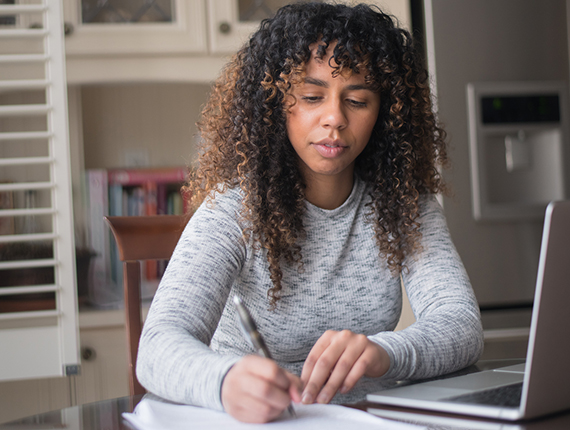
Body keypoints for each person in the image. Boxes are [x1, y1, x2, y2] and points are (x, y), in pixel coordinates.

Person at [136, 2, 484, 424]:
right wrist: (224, 381)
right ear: (276, 104)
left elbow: (461, 324)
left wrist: (384, 352)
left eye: (357, 99)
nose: (334, 118)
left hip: (365, 419)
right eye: (311, 96)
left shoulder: (403, 204)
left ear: (386, 114)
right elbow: (157, 346)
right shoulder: (235, 209)